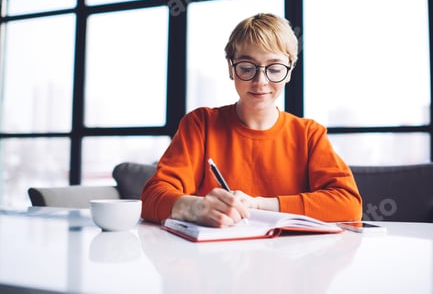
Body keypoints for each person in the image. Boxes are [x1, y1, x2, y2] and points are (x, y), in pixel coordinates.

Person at [140, 13, 362, 227]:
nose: (260, 81)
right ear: (230, 66)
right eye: (247, 68)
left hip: (289, 262)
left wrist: (258, 205)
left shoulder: (308, 134)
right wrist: (196, 208)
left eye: (275, 69)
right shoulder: (200, 125)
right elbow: (152, 198)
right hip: (211, 259)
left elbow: (349, 205)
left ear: (290, 71)